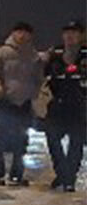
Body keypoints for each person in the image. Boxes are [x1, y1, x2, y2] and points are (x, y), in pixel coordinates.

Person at [0, 22, 44, 186]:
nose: (22, 36)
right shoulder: (3, 52)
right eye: (19, 32)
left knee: (22, 140)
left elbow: (39, 78)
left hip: (24, 103)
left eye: (26, 33)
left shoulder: (34, 56)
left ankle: (17, 174)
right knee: (0, 139)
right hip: (5, 101)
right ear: (13, 33)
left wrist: (35, 94)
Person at [44, 20, 86, 192]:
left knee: (76, 143)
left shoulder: (85, 54)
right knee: (53, 140)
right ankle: (63, 173)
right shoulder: (55, 54)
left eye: (74, 32)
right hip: (58, 104)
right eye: (67, 32)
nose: (70, 36)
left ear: (81, 35)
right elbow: (43, 74)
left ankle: (69, 179)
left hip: (79, 105)